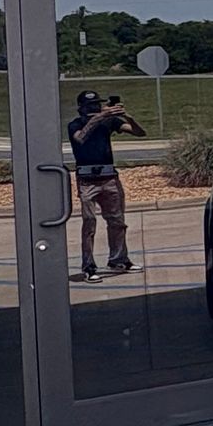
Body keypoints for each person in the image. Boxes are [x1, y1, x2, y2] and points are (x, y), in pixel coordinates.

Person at [67, 88, 146, 281]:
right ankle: (89, 266)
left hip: (109, 177)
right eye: (90, 106)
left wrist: (127, 116)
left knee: (117, 221)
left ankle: (119, 259)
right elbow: (80, 138)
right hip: (87, 180)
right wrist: (99, 117)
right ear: (81, 108)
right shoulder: (75, 124)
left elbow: (139, 133)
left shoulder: (108, 122)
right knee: (89, 223)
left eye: (97, 104)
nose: (94, 108)